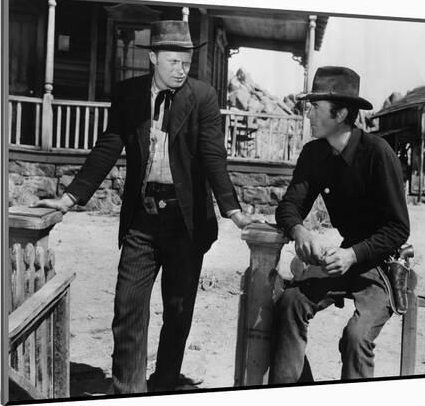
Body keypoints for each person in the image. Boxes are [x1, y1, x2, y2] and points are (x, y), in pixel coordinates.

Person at [32, 20, 262, 394]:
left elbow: (213, 156)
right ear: (153, 57)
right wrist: (69, 198)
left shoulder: (202, 97)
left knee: (178, 310)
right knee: (128, 308)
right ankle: (127, 390)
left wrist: (232, 210)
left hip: (186, 223)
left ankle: (165, 383)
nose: (180, 69)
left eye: (186, 62)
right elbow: (108, 146)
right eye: (173, 61)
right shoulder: (128, 94)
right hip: (143, 218)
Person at [271, 66, 410, 382]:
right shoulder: (314, 153)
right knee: (290, 303)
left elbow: (398, 229)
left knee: (356, 337)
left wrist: (353, 255)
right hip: (342, 260)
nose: (307, 114)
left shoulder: (378, 153)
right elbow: (289, 206)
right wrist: (299, 230)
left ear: (341, 113)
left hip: (380, 264)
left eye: (315, 108)